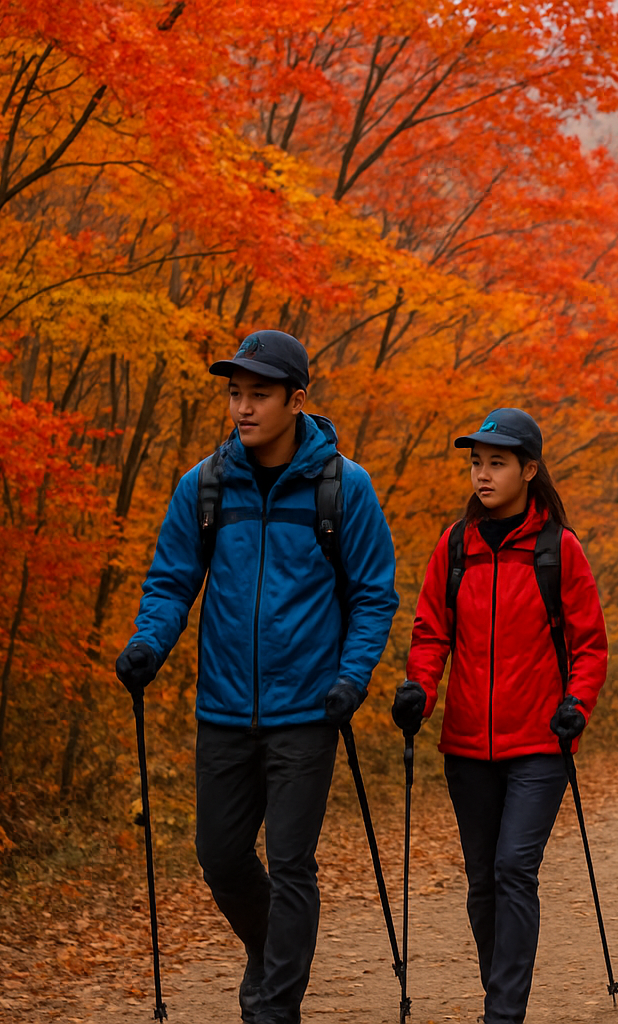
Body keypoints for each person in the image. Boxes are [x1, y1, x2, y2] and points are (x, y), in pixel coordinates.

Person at [115, 330, 400, 1024]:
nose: (243, 408)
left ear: (296, 400)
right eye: (235, 393)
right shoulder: (206, 485)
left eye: (259, 394)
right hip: (222, 710)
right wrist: (149, 643)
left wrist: (352, 678)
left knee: (292, 862)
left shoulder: (344, 487)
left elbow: (372, 595)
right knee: (218, 857)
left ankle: (273, 1008)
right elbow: (172, 580)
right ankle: (275, 956)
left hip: (307, 711)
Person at [395, 408, 607, 1024]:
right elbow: (431, 631)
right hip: (465, 746)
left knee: (515, 867)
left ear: (528, 470)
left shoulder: (557, 549)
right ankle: (500, 990)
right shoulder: (455, 546)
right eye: (476, 462)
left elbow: (589, 644)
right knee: (483, 880)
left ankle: (503, 1013)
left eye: (496, 462)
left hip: (540, 743)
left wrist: (577, 704)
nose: (482, 474)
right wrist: (420, 690)